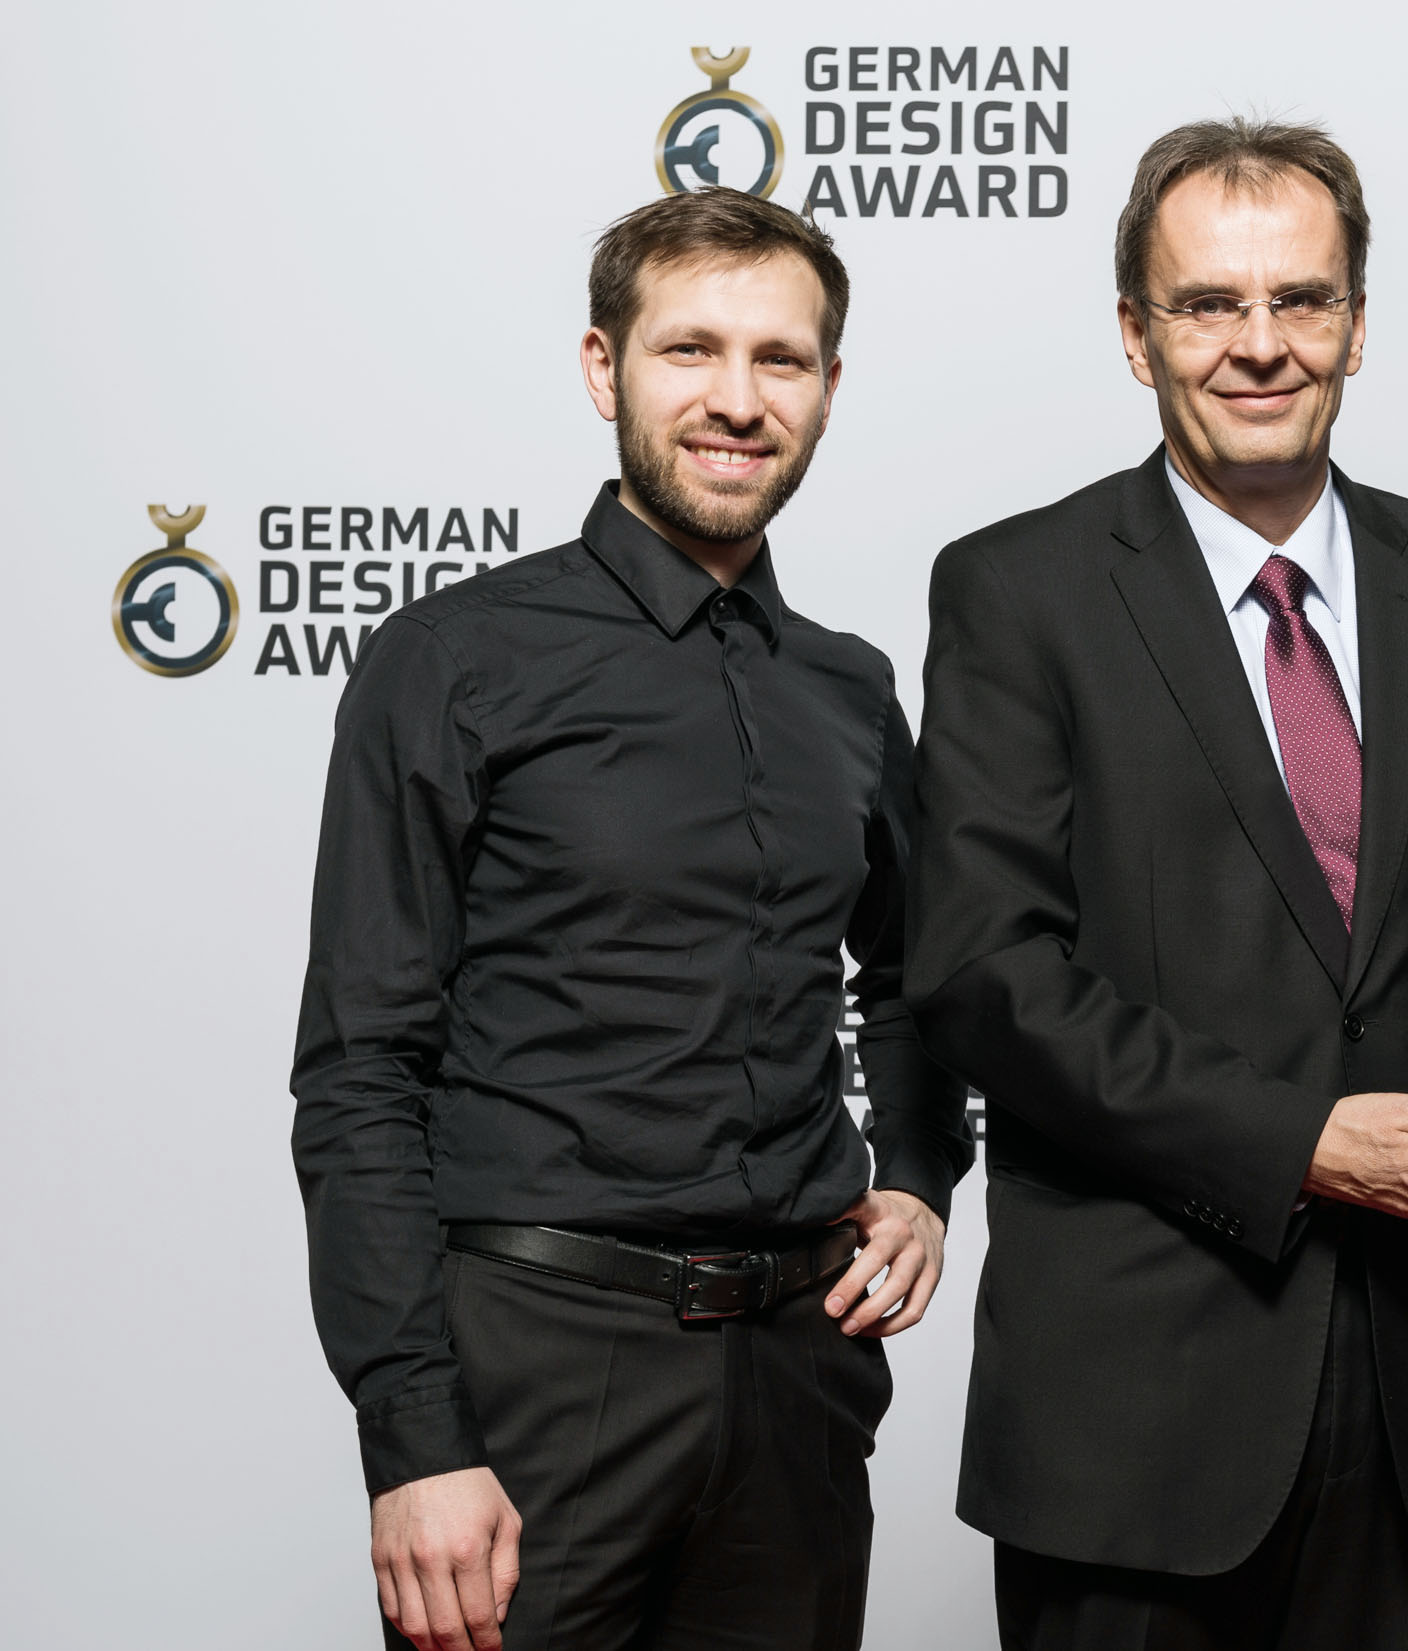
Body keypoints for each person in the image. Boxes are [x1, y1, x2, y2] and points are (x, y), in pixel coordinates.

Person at [904, 117, 1408, 1649]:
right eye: (1208, 304)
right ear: (1135, 335)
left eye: (1302, 300)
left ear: (1357, 325)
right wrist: (1302, 1145)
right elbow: (986, 973)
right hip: (1135, 1419)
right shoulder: (1017, 592)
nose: (1259, 345)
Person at [290, 188, 973, 1651]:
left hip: (801, 1380)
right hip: (535, 1377)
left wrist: (919, 1175)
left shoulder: (851, 688)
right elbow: (360, 1069)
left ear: (829, 387)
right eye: (690, 350)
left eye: (781, 359)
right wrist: (414, 1439)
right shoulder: (453, 659)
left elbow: (917, 979)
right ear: (605, 369)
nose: (737, 400)